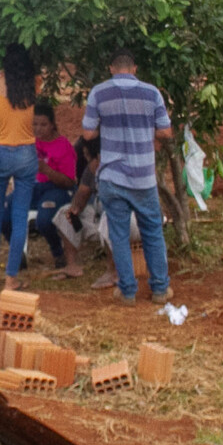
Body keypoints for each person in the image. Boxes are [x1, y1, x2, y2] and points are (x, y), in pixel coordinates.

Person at [80, 47, 173, 303]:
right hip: (143, 177)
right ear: (134, 69)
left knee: (118, 235)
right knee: (152, 231)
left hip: (112, 176)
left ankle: (127, 291)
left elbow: (87, 134)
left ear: (111, 68)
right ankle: (160, 289)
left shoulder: (99, 92)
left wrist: (108, 127)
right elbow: (165, 133)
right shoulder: (152, 92)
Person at [0, 44, 40, 289]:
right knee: (19, 217)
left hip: (0, 151)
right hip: (26, 152)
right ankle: (11, 278)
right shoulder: (33, 84)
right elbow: (39, 76)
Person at [28, 101, 81, 277]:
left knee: (43, 219)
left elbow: (69, 181)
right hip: (33, 187)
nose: (38, 129)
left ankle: (58, 253)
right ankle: (18, 255)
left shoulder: (63, 145)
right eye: (34, 124)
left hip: (58, 188)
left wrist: (47, 171)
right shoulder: (29, 142)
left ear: (52, 124)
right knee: (6, 211)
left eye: (43, 124)